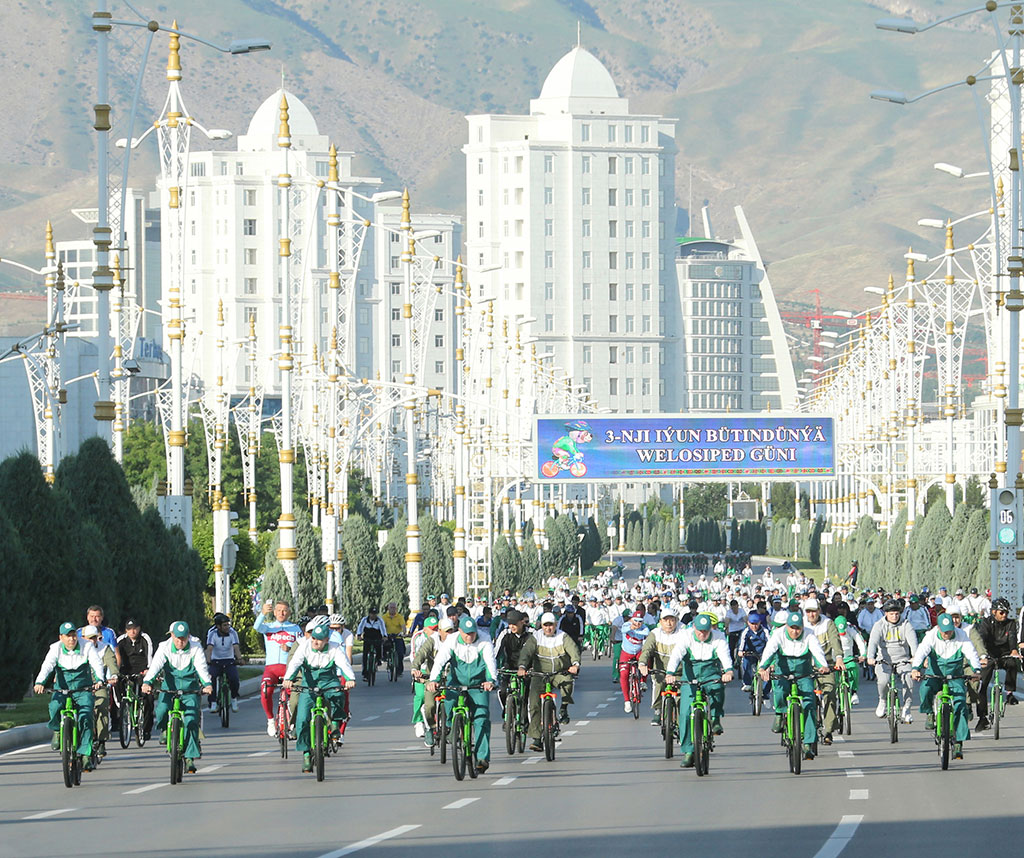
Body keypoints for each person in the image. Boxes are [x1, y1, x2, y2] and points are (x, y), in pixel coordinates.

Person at [427, 616, 497, 774]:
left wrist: (491, 680)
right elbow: (440, 660)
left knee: (482, 717)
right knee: (449, 704)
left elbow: (490, 661)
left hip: (478, 684)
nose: (469, 637)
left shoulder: (484, 640)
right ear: (459, 631)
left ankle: (482, 757)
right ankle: (452, 729)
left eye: (472, 633)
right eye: (466, 633)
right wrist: (433, 680)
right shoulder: (452, 640)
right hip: (456, 682)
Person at [283, 623, 357, 773]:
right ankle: (306, 754)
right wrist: (288, 679)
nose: (315, 642)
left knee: (338, 695)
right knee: (302, 718)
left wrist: (350, 678)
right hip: (308, 684)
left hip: (329, 681)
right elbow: (295, 663)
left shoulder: (334, 648)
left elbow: (344, 664)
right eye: (314, 638)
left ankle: (335, 723)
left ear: (327, 640)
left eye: (319, 639)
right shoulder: (304, 647)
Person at [142, 621, 213, 775]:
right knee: (161, 710)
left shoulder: (195, 647)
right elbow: (155, 666)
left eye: (183, 638)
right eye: (177, 638)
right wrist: (147, 682)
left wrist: (207, 684)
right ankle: (164, 730)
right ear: (172, 635)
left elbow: (201, 667)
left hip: (190, 690)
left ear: (188, 636)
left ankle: (190, 758)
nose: (180, 642)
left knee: (191, 720)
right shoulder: (164, 647)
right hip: (169, 688)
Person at [666, 614, 734, 768]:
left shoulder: (718, 637)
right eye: (699, 631)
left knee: (718, 689)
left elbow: (724, 655)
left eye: (706, 631)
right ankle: (689, 751)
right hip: (691, 674)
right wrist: (670, 673)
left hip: (711, 672)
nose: (702, 634)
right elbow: (676, 655)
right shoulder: (686, 636)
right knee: (684, 713)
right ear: (694, 628)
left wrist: (728, 671)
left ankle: (716, 719)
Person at [758, 611, 829, 759]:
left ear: (803, 627)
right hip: (783, 671)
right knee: (779, 691)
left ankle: (808, 743)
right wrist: (763, 667)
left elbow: (817, 651)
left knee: (809, 703)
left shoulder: (809, 634)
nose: (795, 631)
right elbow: (769, 650)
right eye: (792, 628)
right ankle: (779, 713)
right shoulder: (778, 634)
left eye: (798, 628)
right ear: (787, 626)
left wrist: (823, 665)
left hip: (803, 673)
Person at [34, 621, 106, 768]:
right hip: (62, 688)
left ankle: (85, 754)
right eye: (68, 636)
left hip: (83, 689)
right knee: (55, 707)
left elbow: (96, 663)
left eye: (73, 635)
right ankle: (57, 730)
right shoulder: (55, 648)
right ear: (61, 637)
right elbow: (47, 666)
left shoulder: (87, 646)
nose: (71, 639)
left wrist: (99, 679)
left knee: (86, 717)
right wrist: (39, 682)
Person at [911, 612, 982, 760]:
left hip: (955, 675)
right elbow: (921, 651)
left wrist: (976, 670)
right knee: (925, 689)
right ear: (938, 628)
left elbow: (971, 653)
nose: (946, 634)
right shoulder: (931, 635)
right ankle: (930, 713)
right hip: (935, 673)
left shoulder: (961, 635)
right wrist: (916, 668)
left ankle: (958, 743)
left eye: (949, 631)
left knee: (960, 705)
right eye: (944, 631)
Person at [517, 611, 581, 750]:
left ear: (555, 625)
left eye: (551, 625)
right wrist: (522, 667)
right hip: (540, 674)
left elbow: (573, 650)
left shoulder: (563, 636)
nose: (548, 628)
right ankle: (536, 738)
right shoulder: (536, 637)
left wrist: (575, 664)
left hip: (559, 671)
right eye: (545, 625)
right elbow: (526, 653)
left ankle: (563, 708)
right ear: (541, 625)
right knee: (533, 704)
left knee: (568, 682)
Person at [254, 600, 303, 737]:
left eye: (285, 610)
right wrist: (263, 613)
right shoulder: (269, 627)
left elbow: (302, 646)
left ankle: (293, 721)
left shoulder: (295, 628)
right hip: (271, 668)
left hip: (289, 668)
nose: (282, 613)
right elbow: (257, 627)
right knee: (265, 690)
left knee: (296, 694)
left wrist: (290, 648)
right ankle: (270, 720)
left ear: (289, 612)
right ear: (274, 612)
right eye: (279, 610)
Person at [866, 599, 918, 723]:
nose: (894, 616)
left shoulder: (906, 624)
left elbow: (913, 643)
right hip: (884, 660)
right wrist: (870, 657)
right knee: (883, 680)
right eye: (891, 614)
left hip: (903, 660)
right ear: (886, 614)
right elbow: (872, 642)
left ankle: (907, 708)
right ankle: (882, 700)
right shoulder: (879, 625)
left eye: (896, 613)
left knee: (908, 679)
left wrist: (915, 657)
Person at [974, 597, 1020, 730]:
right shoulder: (986, 623)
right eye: (1002, 612)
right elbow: (983, 637)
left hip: (1005, 654)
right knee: (982, 686)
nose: (1004, 615)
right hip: (989, 655)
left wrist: (1014, 650)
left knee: (1012, 664)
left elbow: (1012, 637)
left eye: (1006, 612)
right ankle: (982, 718)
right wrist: (983, 655)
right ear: (994, 611)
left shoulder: (1010, 623)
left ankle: (1010, 693)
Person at [803, 599, 845, 744]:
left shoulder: (828, 624)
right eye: (808, 611)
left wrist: (839, 658)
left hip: (827, 666)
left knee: (830, 693)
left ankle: (828, 730)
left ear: (819, 611)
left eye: (814, 611)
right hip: (807, 667)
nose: (811, 614)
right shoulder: (800, 625)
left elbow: (835, 642)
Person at [639, 606, 686, 726]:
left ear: (677, 621)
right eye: (666, 620)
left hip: (679, 671)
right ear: (660, 622)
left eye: (672, 620)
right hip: (661, 670)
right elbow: (647, 650)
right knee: (658, 684)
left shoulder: (684, 632)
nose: (669, 623)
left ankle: (681, 723)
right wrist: (642, 663)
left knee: (682, 697)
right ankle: (658, 710)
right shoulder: (655, 633)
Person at [412, 616, 452, 741]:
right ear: (440, 631)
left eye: (451, 630)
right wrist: (415, 668)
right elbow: (421, 654)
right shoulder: (432, 640)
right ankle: (431, 727)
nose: (449, 634)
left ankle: (455, 727)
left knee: (459, 702)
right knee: (429, 705)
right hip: (433, 679)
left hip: (452, 679)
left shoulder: (457, 640)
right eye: (446, 631)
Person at [81, 624, 118, 757]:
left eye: (95, 638)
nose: (92, 641)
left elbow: (112, 663)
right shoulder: (78, 648)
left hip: (99, 685)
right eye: (89, 638)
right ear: (83, 638)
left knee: (102, 706)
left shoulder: (105, 648)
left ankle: (102, 740)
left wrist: (113, 675)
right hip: (82, 686)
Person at [116, 618, 155, 740]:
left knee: (147, 697)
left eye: (134, 629)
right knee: (117, 685)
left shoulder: (145, 638)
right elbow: (116, 656)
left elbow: (149, 655)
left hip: (142, 671)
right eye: (129, 629)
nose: (132, 632)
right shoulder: (121, 640)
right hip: (126, 670)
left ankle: (146, 728)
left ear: (139, 628)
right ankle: (121, 708)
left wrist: (148, 669)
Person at [494, 610, 532, 716]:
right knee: (502, 691)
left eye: (514, 624)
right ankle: (507, 713)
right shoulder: (505, 633)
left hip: (527, 668)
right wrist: (493, 668)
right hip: (509, 665)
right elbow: (495, 652)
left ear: (522, 622)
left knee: (526, 697)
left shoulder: (531, 633)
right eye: (510, 624)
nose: (512, 626)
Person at [205, 613, 242, 714]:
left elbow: (236, 647)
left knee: (234, 679)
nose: (227, 627)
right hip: (215, 661)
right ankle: (213, 702)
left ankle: (234, 698)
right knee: (211, 679)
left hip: (229, 660)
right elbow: (209, 649)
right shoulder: (212, 633)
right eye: (224, 625)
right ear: (218, 626)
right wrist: (208, 660)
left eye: (228, 624)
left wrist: (239, 659)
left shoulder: (232, 633)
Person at [618, 610, 651, 712]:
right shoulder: (626, 625)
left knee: (646, 660)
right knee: (623, 674)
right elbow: (624, 630)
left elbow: (646, 633)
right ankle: (627, 701)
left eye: (640, 621)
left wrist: (636, 630)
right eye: (635, 621)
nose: (637, 623)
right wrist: (630, 628)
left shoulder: (645, 628)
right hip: (626, 653)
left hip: (638, 652)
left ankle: (643, 681)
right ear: (631, 619)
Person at [834, 615, 866, 705]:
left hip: (848, 657)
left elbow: (860, 641)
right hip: (835, 658)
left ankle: (854, 692)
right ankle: (835, 692)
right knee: (833, 675)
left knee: (854, 667)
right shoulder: (830, 629)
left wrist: (863, 654)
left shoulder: (851, 628)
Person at [737, 613, 769, 694]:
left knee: (766, 670)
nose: (754, 626)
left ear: (760, 622)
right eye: (752, 624)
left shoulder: (765, 630)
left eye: (756, 624)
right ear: (748, 623)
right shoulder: (746, 631)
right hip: (750, 652)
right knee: (746, 662)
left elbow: (770, 643)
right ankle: (747, 683)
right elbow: (742, 642)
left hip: (762, 653)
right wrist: (741, 651)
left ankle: (765, 694)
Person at [357, 606, 387, 681]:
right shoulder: (364, 620)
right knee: (365, 655)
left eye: (375, 614)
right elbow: (360, 627)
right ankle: (365, 674)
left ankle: (377, 660)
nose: (373, 615)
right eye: (372, 614)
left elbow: (383, 629)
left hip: (377, 637)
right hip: (367, 638)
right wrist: (359, 635)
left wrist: (384, 636)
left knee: (379, 649)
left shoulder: (380, 620)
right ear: (369, 614)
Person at [382, 602, 407, 677]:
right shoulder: (384, 617)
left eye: (394, 608)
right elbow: (382, 626)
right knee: (384, 646)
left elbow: (403, 626)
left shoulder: (399, 617)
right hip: (388, 636)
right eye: (391, 608)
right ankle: (385, 658)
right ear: (388, 609)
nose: (393, 610)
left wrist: (404, 632)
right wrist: (384, 635)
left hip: (397, 636)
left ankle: (399, 671)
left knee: (400, 653)